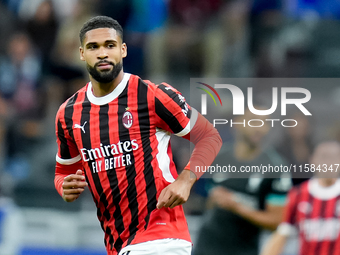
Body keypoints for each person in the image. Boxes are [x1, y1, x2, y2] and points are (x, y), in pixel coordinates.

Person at [53, 16, 222, 255]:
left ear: (123, 50)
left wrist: (186, 180)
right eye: (94, 47)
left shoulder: (152, 95)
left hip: (162, 238)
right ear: (82, 53)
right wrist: (64, 187)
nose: (102, 53)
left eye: (110, 45)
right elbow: (63, 171)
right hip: (118, 243)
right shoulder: (68, 114)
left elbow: (209, 136)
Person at [193, 110, 292, 255]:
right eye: (253, 120)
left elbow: (276, 221)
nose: (259, 127)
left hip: (243, 249)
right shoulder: (217, 156)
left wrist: (236, 206)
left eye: (264, 122)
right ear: (237, 123)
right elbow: (204, 199)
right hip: (206, 246)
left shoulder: (276, 166)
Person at [261, 141, 340, 255]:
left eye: (334, 158)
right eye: (323, 157)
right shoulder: (298, 195)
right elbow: (283, 233)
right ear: (312, 161)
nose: (328, 163)